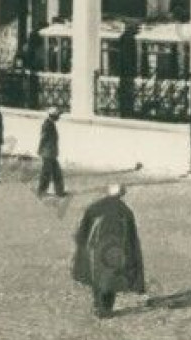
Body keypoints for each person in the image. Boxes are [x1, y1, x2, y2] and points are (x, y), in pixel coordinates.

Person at [72, 184, 145, 319]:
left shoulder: (95, 207)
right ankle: (106, 308)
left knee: (96, 276)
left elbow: (84, 228)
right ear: (121, 195)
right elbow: (131, 236)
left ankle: (97, 305)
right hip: (115, 249)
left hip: (96, 246)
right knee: (111, 278)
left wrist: (81, 242)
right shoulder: (125, 211)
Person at [36, 108, 66, 197]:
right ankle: (42, 191)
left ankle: (58, 191)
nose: (59, 117)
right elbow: (43, 138)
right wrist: (40, 150)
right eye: (58, 115)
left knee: (54, 172)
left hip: (51, 153)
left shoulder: (51, 123)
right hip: (48, 153)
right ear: (53, 116)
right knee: (47, 173)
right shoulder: (47, 124)